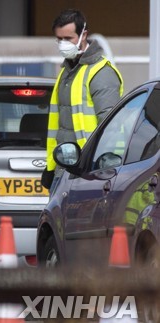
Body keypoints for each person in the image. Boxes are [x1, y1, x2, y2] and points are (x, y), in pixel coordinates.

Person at [41, 9, 124, 192]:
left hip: (88, 173)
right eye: (59, 39)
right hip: (64, 170)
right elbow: (59, 127)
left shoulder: (101, 73)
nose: (63, 44)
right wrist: (51, 167)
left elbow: (110, 128)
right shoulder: (66, 72)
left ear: (83, 35)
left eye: (68, 38)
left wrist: (101, 170)